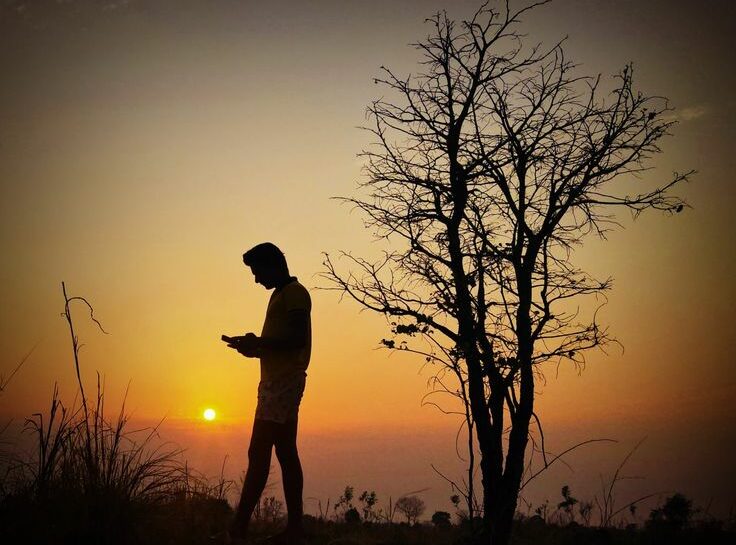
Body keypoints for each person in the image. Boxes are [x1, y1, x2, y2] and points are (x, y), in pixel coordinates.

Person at [227, 242, 311, 545]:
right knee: (286, 453)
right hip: (279, 383)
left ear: (272, 265)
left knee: (258, 454)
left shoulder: (295, 294)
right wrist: (254, 347)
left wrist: (259, 343)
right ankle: (295, 530)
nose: (256, 279)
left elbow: (297, 338)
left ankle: (238, 529)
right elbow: (281, 341)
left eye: (257, 271)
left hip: (282, 384)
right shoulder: (283, 294)